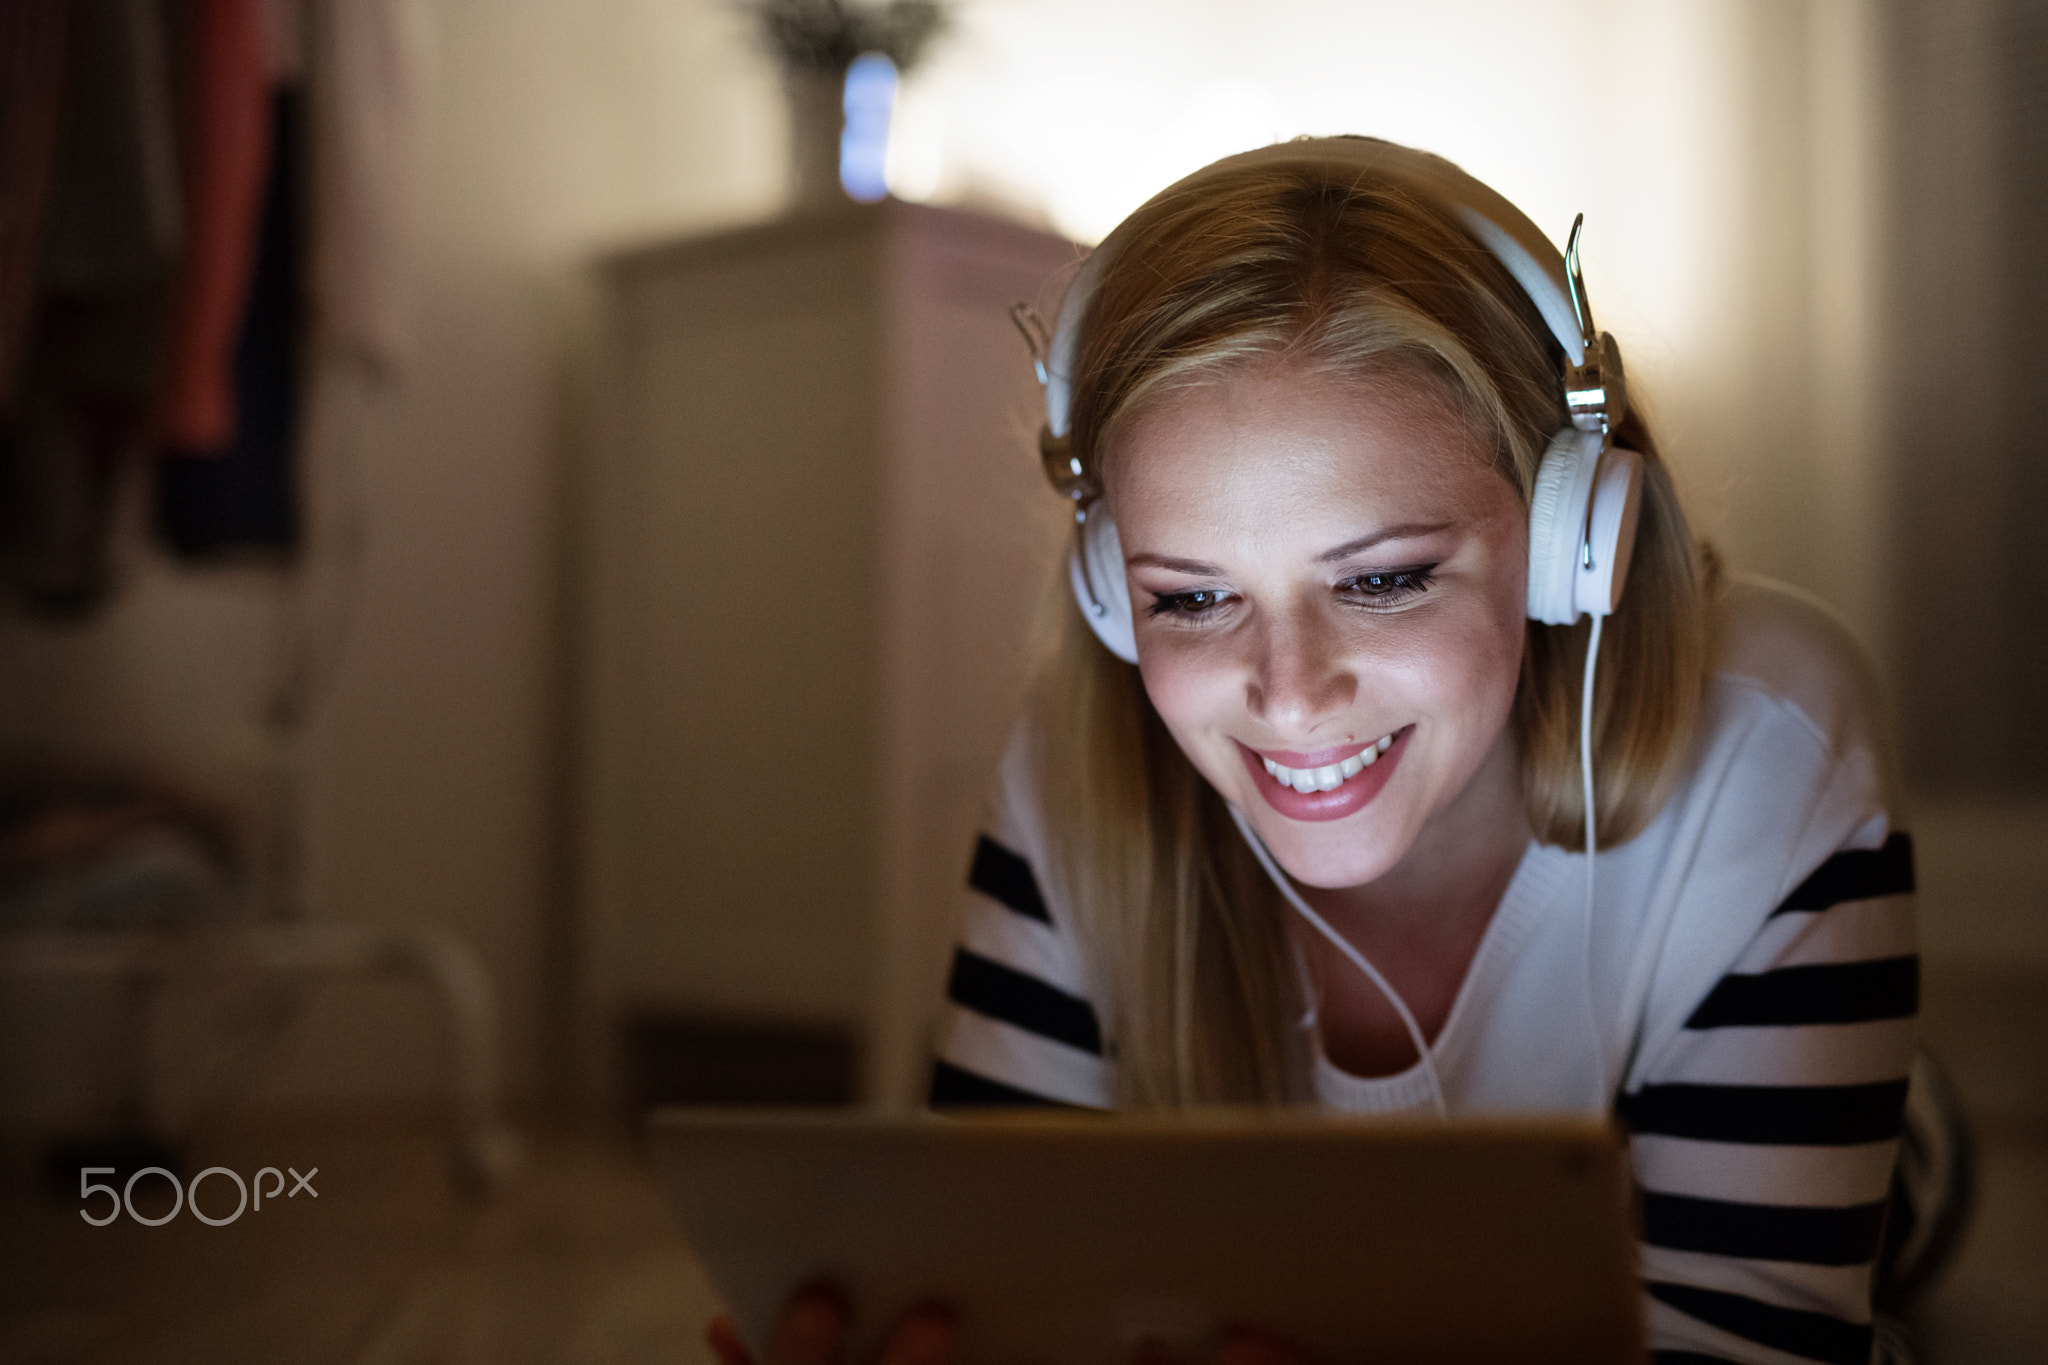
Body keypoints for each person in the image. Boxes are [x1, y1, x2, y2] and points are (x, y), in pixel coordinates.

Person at [713, 138, 1928, 1365]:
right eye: (1188, 600)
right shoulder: (1080, 759)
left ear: (1571, 541)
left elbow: (1750, 1341)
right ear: (1103, 592)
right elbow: (994, 1276)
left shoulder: (1768, 737)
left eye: (1384, 579)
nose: (1288, 699)